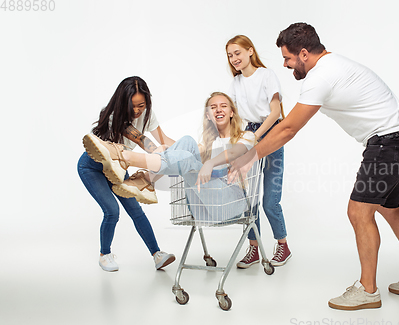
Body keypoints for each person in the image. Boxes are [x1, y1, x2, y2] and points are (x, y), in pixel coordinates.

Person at [229, 23, 399, 310]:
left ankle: (367, 290)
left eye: (288, 58)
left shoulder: (321, 76)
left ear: (303, 54)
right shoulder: (333, 65)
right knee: (388, 207)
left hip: (388, 142)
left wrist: (249, 157)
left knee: (358, 211)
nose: (286, 65)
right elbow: (285, 127)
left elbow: (287, 128)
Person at [84, 92, 257, 222]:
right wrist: (165, 150)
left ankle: (126, 157)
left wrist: (210, 163)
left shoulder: (246, 136)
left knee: (188, 158)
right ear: (208, 115)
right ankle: (147, 179)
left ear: (232, 112)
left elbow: (235, 152)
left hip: (230, 204)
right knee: (187, 143)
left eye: (223, 106)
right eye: (213, 107)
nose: (218, 109)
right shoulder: (207, 144)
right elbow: (181, 152)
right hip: (202, 207)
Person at [78, 76, 176, 272]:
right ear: (124, 102)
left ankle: (157, 255)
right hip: (93, 168)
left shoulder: (147, 113)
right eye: (133, 106)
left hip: (117, 169)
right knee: (112, 211)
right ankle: (104, 255)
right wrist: (157, 153)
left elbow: (163, 138)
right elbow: (140, 139)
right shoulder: (115, 115)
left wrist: (185, 151)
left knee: (136, 211)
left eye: (142, 104)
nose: (138, 110)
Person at [226, 35, 291, 268]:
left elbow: (275, 112)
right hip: (249, 134)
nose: (234, 59)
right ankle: (255, 248)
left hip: (271, 132)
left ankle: (283, 245)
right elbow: (233, 116)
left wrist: (257, 136)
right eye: (230, 55)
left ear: (250, 51)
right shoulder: (236, 83)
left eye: (238, 53)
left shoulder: (267, 75)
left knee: (270, 200)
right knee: (248, 200)